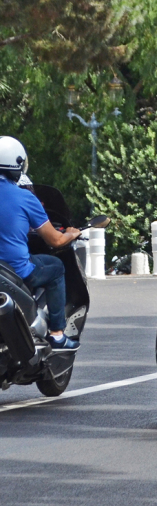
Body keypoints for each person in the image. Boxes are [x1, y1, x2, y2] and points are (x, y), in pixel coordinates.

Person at [0, 136, 80, 349]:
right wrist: (72, 234)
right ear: (15, 164)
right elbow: (55, 240)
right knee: (56, 267)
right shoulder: (24, 197)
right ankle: (57, 334)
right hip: (16, 271)